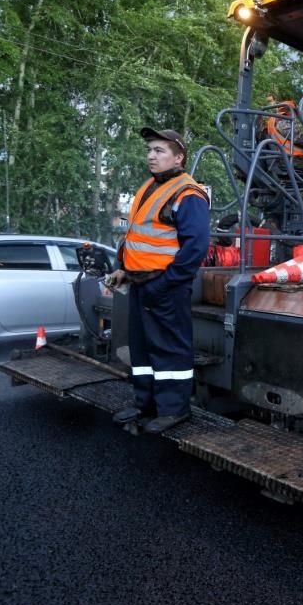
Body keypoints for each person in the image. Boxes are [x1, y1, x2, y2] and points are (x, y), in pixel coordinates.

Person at [105, 127, 210, 434]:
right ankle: (145, 404)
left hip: (164, 286)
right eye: (150, 149)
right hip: (140, 283)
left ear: (179, 158)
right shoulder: (149, 186)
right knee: (142, 349)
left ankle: (174, 410)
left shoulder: (188, 194)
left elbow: (196, 247)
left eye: (160, 150)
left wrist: (167, 283)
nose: (151, 155)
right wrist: (122, 268)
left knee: (169, 349)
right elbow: (136, 236)